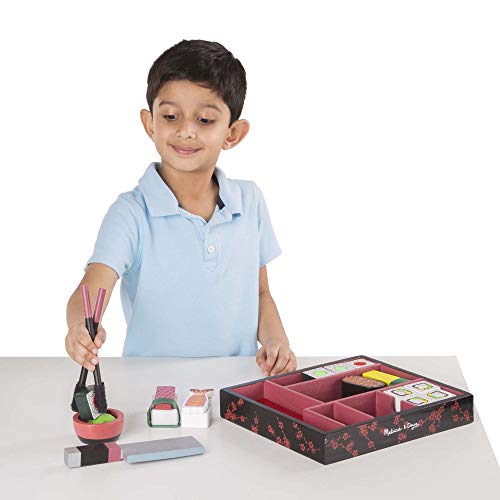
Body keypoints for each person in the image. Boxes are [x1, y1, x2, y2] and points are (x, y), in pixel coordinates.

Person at [65, 39, 296, 377]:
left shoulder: (250, 202)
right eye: (171, 116)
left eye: (205, 120)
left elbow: (260, 293)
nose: (186, 131)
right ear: (150, 124)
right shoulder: (131, 212)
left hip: (236, 383)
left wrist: (277, 342)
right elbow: (93, 285)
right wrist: (79, 328)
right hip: (151, 386)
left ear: (233, 133)